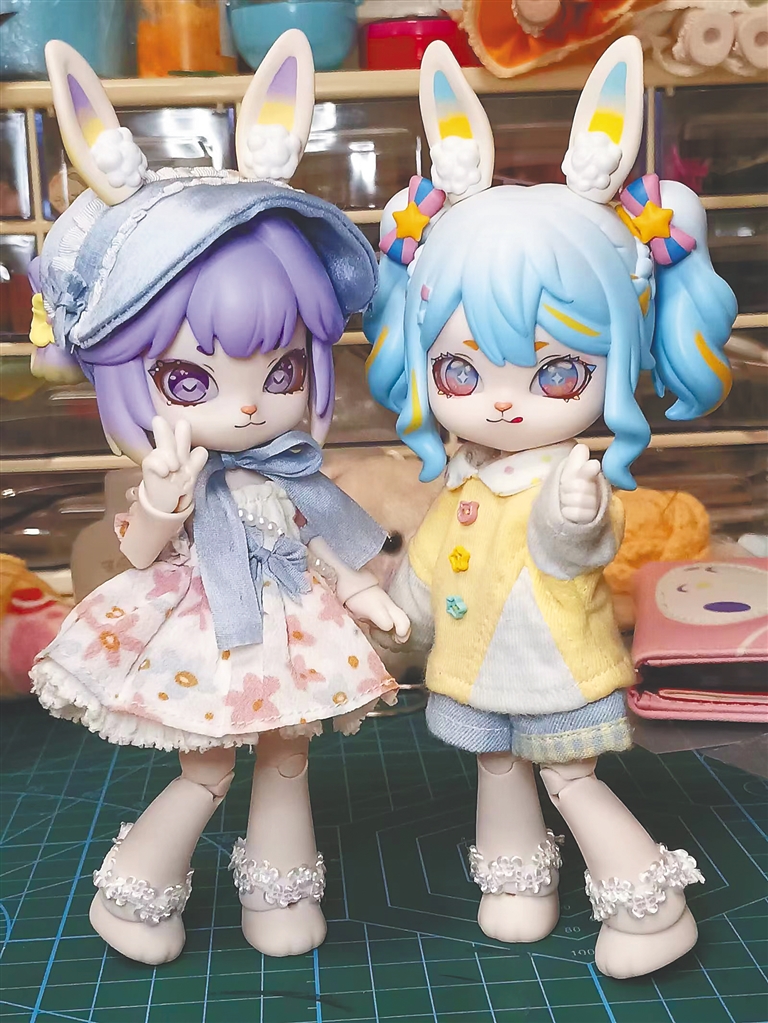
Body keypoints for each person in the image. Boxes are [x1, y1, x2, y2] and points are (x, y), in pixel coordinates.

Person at [29, 32, 409, 965]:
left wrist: (365, 592)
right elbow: (135, 554)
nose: (247, 406)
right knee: (205, 766)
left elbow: (317, 537)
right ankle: (134, 893)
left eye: (281, 371)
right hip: (203, 630)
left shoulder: (289, 470)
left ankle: (280, 894)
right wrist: (164, 500)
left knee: (288, 756)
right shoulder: (183, 473)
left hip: (290, 627)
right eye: (190, 380)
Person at [364, 36, 736, 978]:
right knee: (496, 768)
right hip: (472, 668)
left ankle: (651, 903)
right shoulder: (464, 474)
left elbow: (580, 546)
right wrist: (399, 614)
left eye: (556, 372)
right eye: (460, 371)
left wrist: (573, 514)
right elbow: (434, 554)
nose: (501, 402)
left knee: (569, 774)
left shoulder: (568, 472)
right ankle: (517, 882)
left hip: (556, 666)